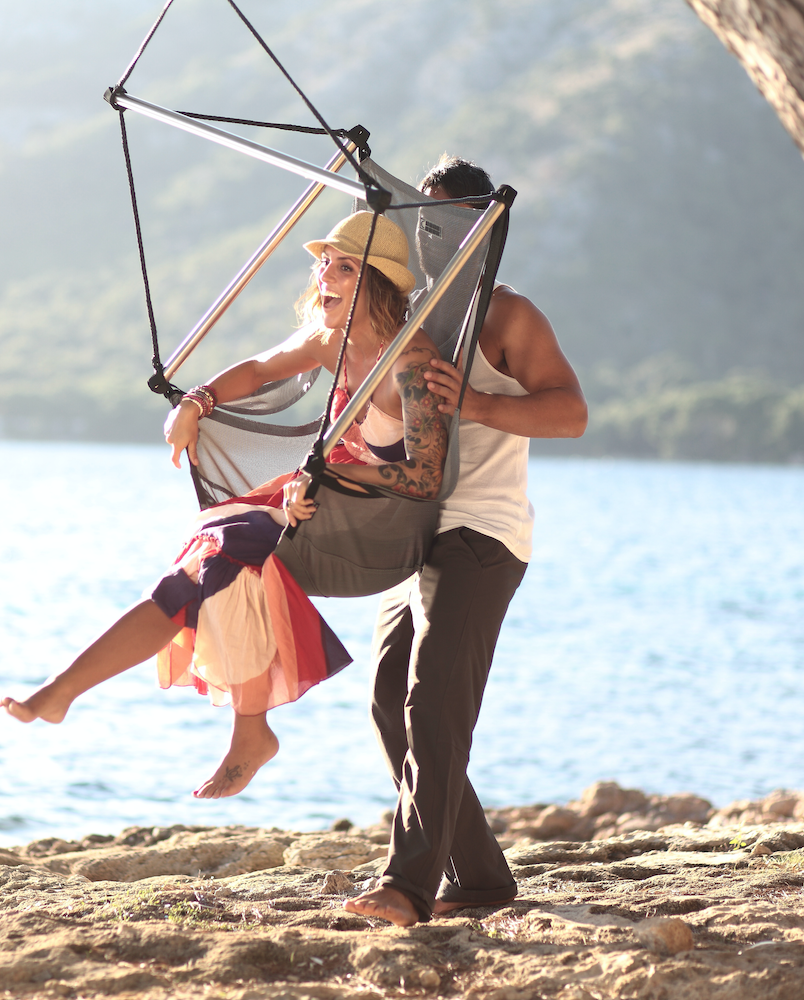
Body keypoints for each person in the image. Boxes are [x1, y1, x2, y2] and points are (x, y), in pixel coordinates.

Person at [0, 211, 448, 800]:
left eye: (345, 267)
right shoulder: (328, 341)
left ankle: (246, 730)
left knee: (225, 549)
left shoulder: (410, 363)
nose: (325, 277)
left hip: (374, 521)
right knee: (202, 569)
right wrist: (197, 400)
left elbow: (425, 478)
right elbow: (260, 369)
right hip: (311, 499)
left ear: (380, 285)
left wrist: (329, 478)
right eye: (322, 264)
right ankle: (68, 691)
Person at [344, 156, 589, 927]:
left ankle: (408, 888)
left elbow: (572, 415)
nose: (433, 236)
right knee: (390, 700)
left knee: (435, 698)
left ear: (485, 230)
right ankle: (478, 876)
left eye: (451, 223)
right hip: (413, 532)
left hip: (484, 531)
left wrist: (477, 402)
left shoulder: (510, 316)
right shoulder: (410, 313)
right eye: (424, 222)